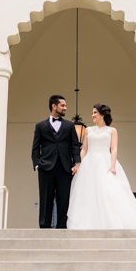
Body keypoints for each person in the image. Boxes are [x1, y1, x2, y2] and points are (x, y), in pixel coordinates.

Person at [67, 103, 136, 229]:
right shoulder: (88, 130)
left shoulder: (112, 131)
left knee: (108, 191)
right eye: (92, 113)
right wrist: (78, 164)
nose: (92, 115)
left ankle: (111, 221)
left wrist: (112, 165)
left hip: (105, 161)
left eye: (95, 112)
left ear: (102, 115)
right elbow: (84, 149)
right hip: (89, 163)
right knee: (88, 192)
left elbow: (114, 148)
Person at [31, 94, 80, 228]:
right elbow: (35, 148)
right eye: (62, 105)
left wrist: (77, 163)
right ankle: (44, 227)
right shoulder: (40, 126)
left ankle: (62, 227)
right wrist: (37, 165)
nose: (65, 108)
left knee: (63, 199)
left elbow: (74, 145)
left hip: (65, 168)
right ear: (54, 106)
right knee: (45, 199)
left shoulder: (69, 126)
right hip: (45, 167)